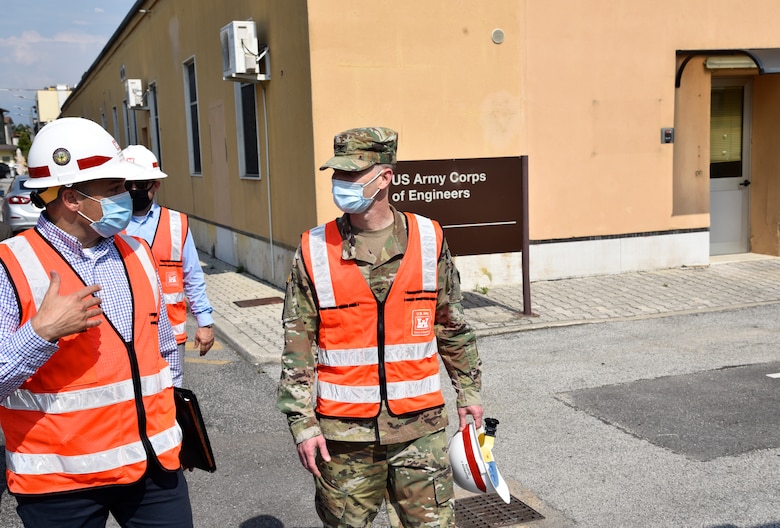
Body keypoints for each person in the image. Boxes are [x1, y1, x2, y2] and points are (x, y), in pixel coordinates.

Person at [277, 126, 483, 527]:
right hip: (344, 439)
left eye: (352, 174)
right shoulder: (314, 249)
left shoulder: (429, 238)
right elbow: (297, 345)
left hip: (420, 431)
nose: (341, 183)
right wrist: (302, 424)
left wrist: (469, 393)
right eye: (337, 174)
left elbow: (452, 325)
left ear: (385, 176)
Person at [0, 117, 193, 527]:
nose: (127, 197)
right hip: (60, 483)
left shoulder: (137, 252)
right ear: (71, 198)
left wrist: (175, 425)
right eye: (114, 189)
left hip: (153, 468)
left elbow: (162, 350)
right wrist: (41, 333)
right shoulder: (10, 266)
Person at [122, 145, 215, 359]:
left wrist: (205, 322)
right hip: (125, 335)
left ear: (156, 185)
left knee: (170, 393)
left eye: (141, 184)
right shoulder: (109, 225)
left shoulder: (176, 223)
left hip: (170, 336)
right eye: (128, 185)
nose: (134, 189)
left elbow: (192, 276)